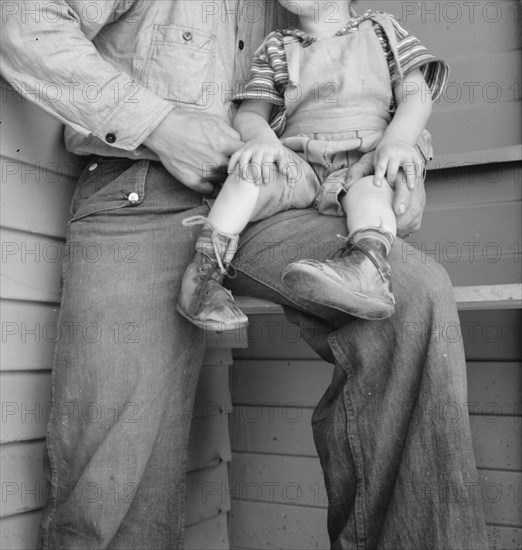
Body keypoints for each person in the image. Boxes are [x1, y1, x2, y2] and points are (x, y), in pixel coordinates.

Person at [1, 1, 489, 549]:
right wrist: (161, 125)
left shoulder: (313, 16)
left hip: (282, 198)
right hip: (140, 187)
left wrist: (400, 160)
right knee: (114, 458)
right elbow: (23, 23)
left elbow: (373, 94)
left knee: (412, 294)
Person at [177, 0, 442, 331]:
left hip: (363, 160)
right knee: (248, 172)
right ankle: (203, 276)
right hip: (298, 161)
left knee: (374, 190)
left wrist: (399, 140)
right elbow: (250, 113)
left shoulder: (382, 31)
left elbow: (416, 94)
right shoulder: (277, 46)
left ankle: (366, 268)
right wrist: (262, 140)